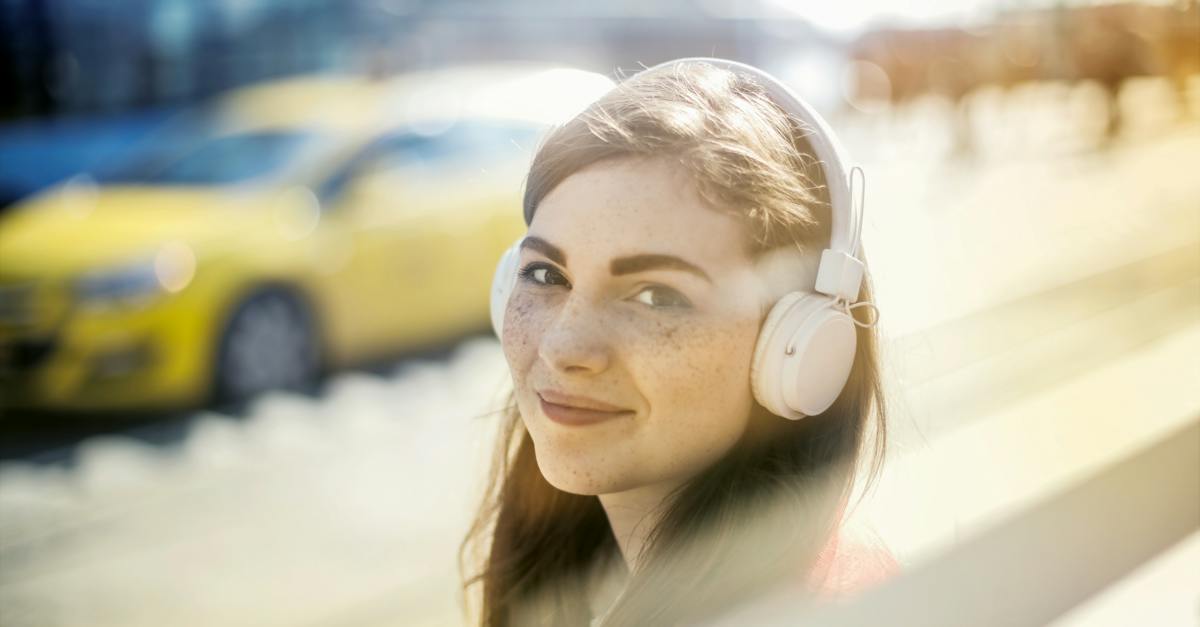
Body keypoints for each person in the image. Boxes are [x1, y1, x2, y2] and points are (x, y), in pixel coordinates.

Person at [460, 57, 897, 627]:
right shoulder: (587, 576)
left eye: (658, 296)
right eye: (545, 275)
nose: (563, 347)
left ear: (797, 349)